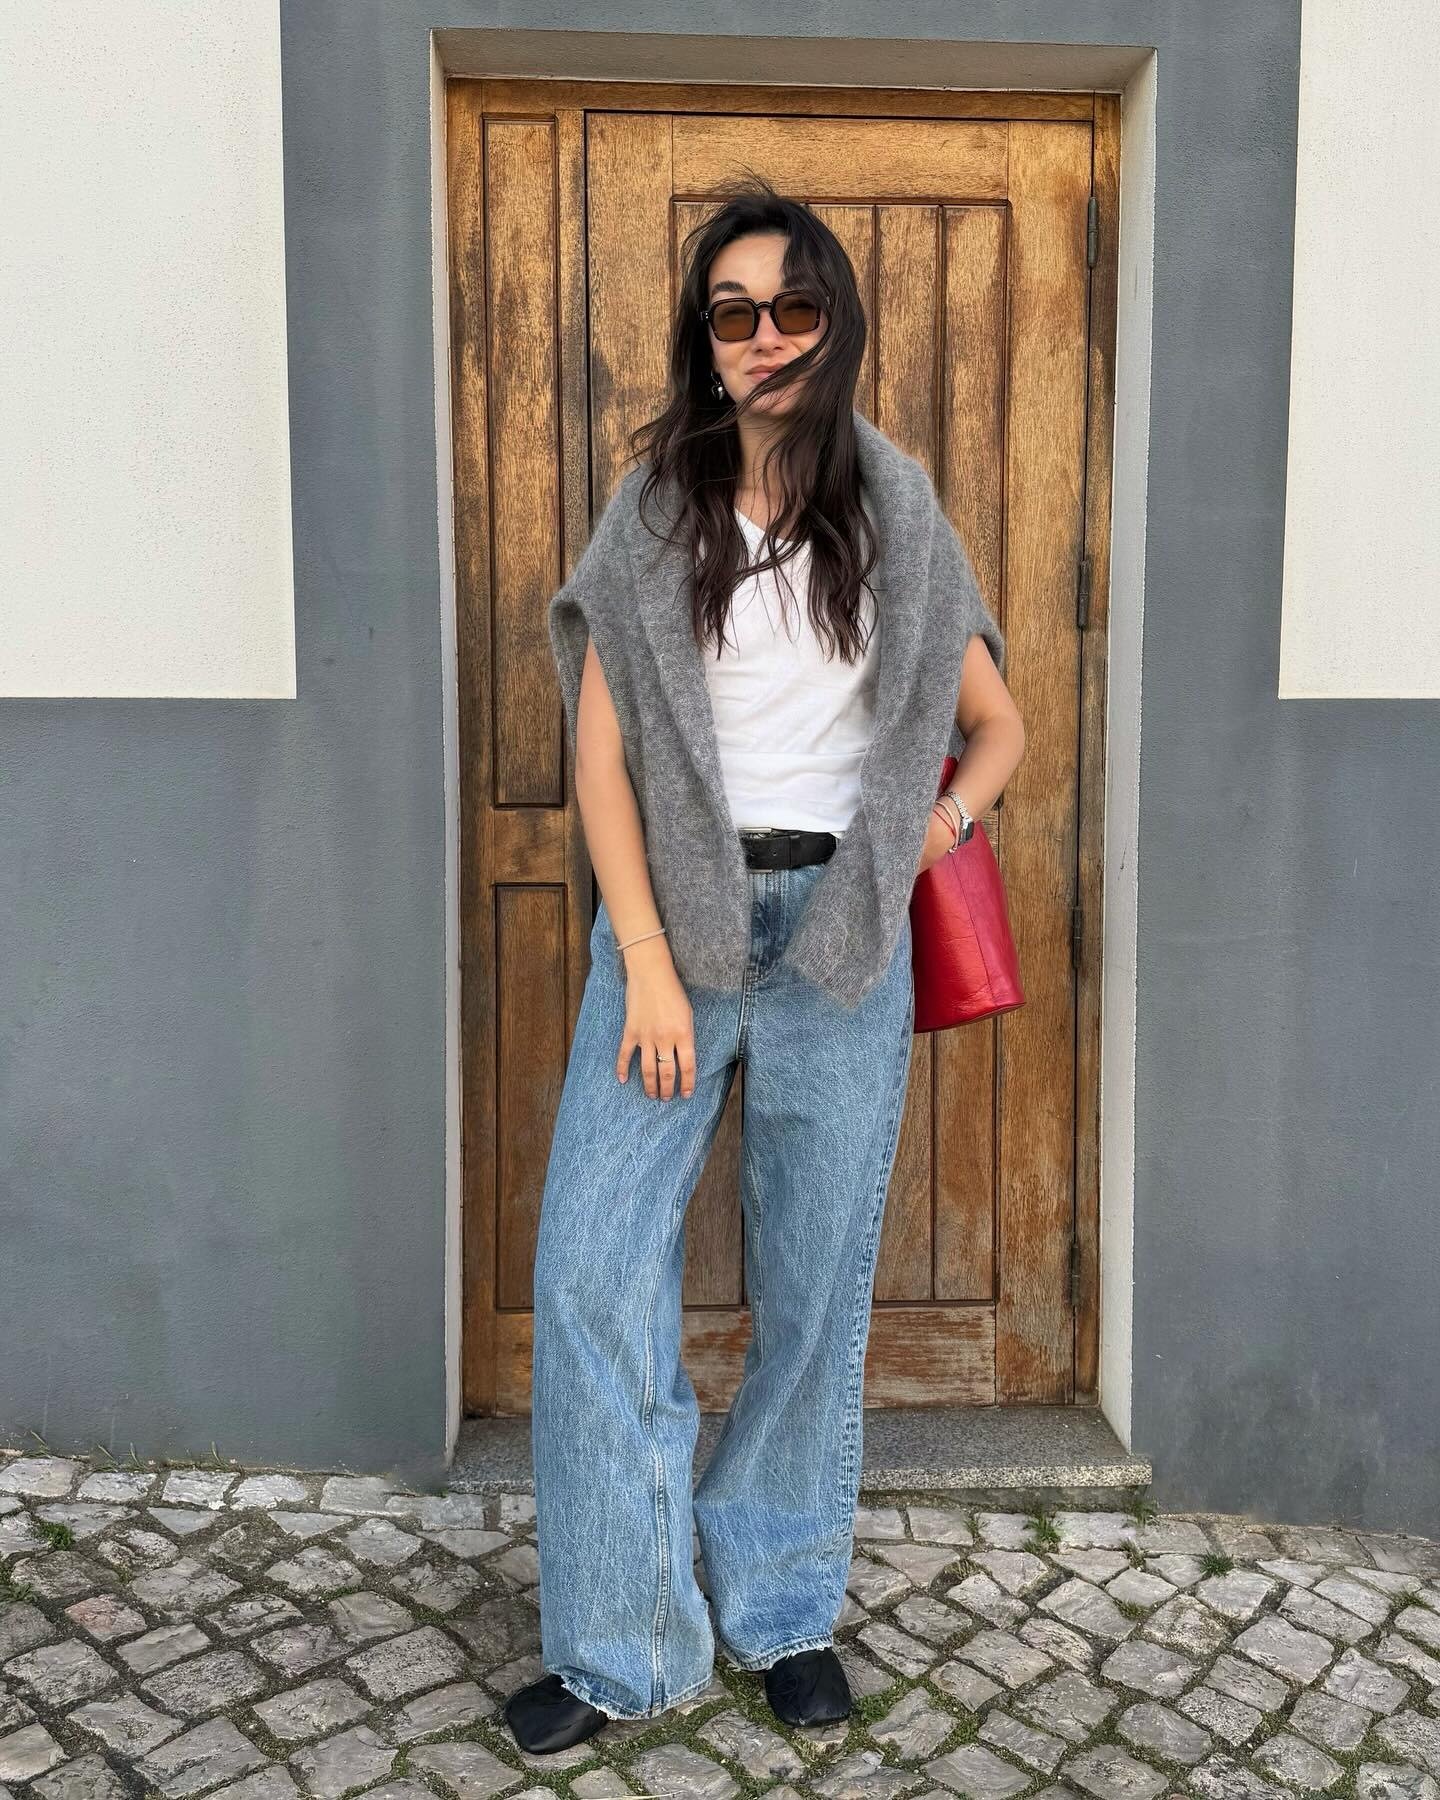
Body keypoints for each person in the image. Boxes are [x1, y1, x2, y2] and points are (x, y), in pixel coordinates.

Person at [504, 177, 1026, 1754]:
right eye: (733, 315)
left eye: (794, 308)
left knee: (812, 1298)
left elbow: (998, 732)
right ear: (704, 341)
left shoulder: (904, 512)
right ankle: (624, 1640)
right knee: (592, 1272)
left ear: (837, 322)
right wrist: (648, 966)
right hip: (673, 938)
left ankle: (786, 1603)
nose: (765, 338)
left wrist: (918, 837)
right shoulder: (654, 510)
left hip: (841, 949)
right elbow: (598, 764)